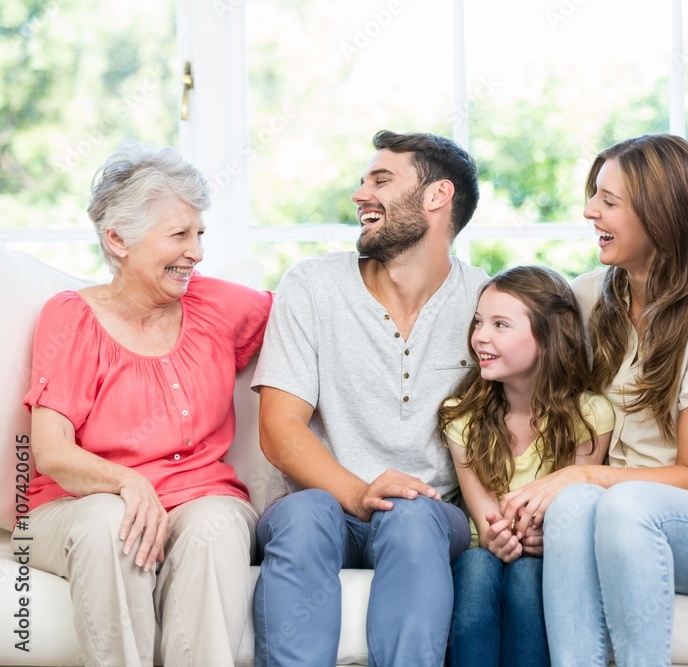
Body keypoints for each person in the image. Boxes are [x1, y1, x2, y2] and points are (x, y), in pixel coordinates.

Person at [16, 142, 273, 666]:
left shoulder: (218, 305)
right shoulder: (73, 318)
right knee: (115, 522)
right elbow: (51, 451)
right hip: (79, 504)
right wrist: (129, 483)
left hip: (200, 496)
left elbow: (311, 320)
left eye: (199, 234)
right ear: (118, 239)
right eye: (179, 235)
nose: (196, 252)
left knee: (217, 527)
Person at [503, 134, 688, 666]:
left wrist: (584, 476)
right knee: (574, 505)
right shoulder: (591, 295)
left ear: (661, 215)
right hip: (609, 510)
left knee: (614, 503)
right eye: (595, 196)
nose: (590, 211)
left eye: (609, 201)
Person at [251, 130, 488, 666]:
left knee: (413, 513)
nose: (360, 194)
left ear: (437, 197)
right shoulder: (312, 285)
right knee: (305, 513)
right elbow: (279, 429)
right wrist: (358, 494)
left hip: (424, 517)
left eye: (381, 180)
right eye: (362, 181)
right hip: (321, 505)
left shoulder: (484, 300)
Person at [441, 265, 613, 667]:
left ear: (550, 338)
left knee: (526, 576)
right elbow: (484, 520)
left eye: (501, 324)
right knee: (479, 566)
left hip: (545, 558)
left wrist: (545, 537)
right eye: (479, 322)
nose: (480, 336)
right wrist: (496, 536)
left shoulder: (589, 416)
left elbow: (570, 509)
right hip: (479, 552)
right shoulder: (460, 417)